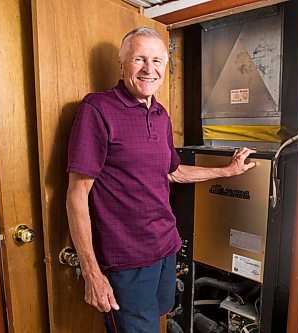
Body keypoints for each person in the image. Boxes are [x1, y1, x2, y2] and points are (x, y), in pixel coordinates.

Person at [66, 27, 256, 333]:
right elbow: (77, 194)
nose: (149, 68)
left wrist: (227, 171)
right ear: (122, 64)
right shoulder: (97, 109)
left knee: (159, 320)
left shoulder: (160, 114)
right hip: (126, 260)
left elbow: (173, 171)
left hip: (166, 248)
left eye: (157, 60)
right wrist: (91, 272)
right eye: (139, 58)